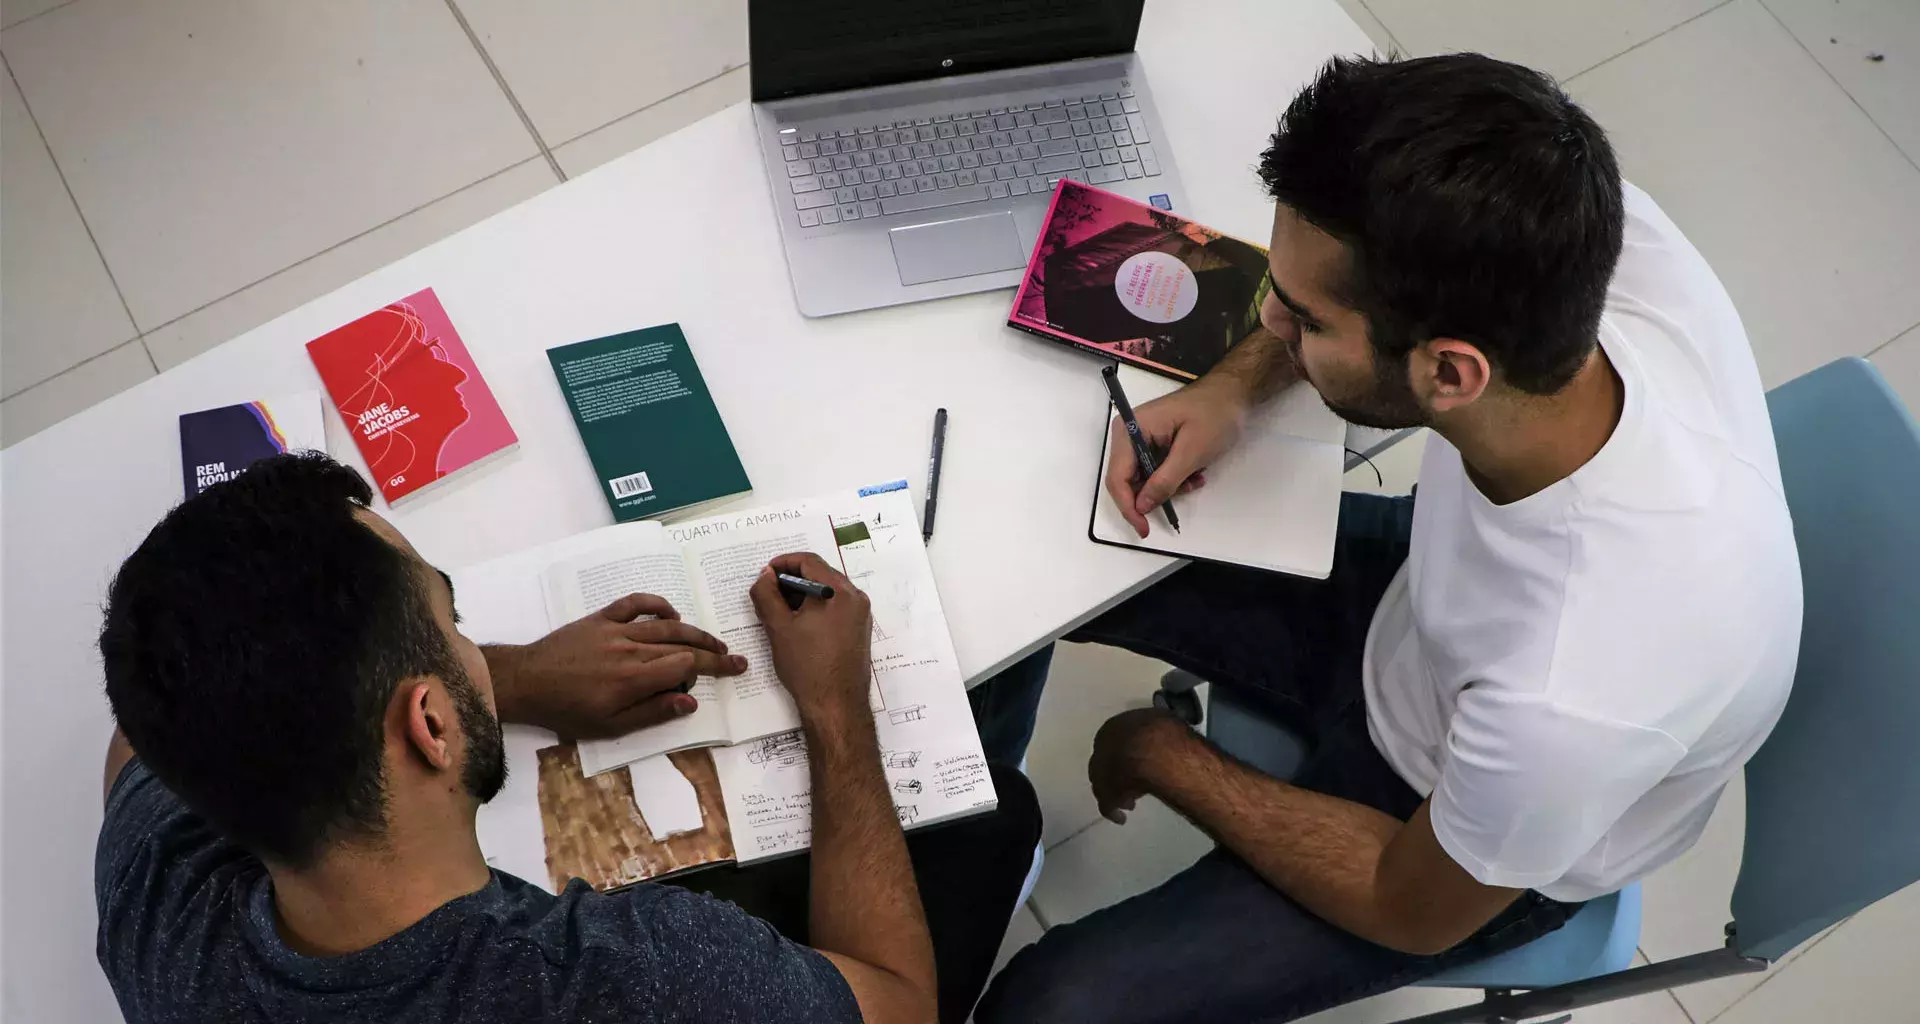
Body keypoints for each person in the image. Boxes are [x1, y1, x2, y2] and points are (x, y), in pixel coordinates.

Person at [973, 53, 1802, 1023]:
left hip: (1449, 841)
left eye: (1304, 318)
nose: (1267, 317)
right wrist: (1232, 389)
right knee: (1021, 546)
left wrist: (1163, 753)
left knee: (1050, 1007)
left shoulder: (1575, 690)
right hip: (1419, 607)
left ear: (1450, 374)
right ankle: (968, 817)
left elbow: (1407, 906)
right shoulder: (1590, 242)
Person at [95, 452, 1039, 1024]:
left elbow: (132, 744)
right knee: (999, 814)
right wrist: (835, 707)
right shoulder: (633, 980)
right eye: (456, 621)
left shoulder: (159, 911)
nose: (474, 641)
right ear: (427, 726)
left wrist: (511, 679)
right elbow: (899, 1006)